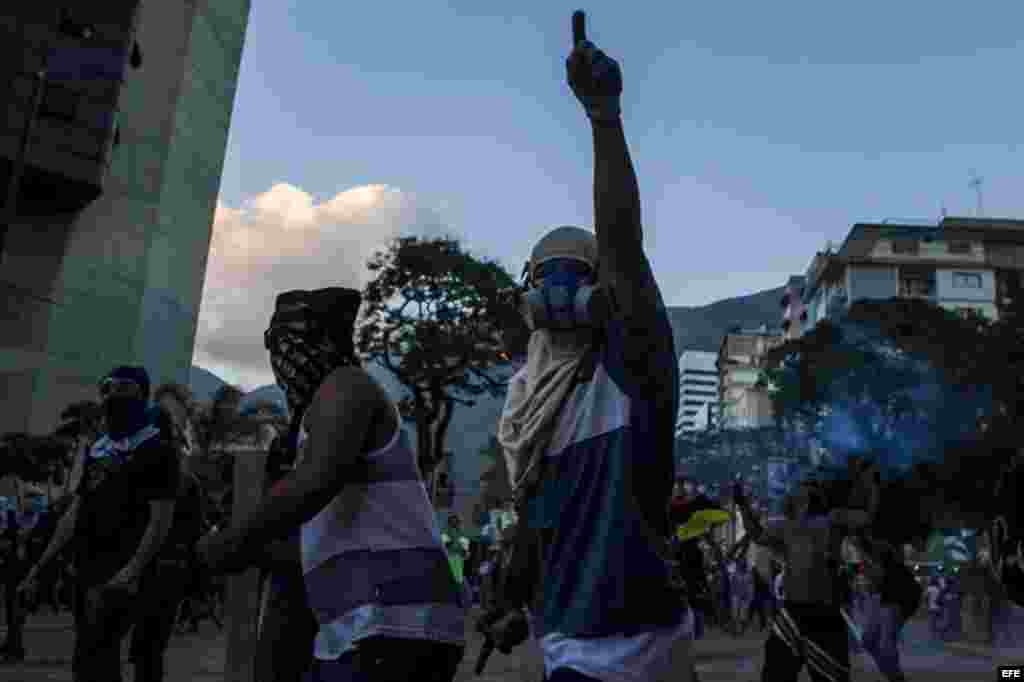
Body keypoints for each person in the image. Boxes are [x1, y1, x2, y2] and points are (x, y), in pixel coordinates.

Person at [484, 12, 697, 681]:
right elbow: (539, 520)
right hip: (565, 646)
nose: (557, 285)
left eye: (577, 268)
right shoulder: (529, 412)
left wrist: (604, 119)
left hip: (639, 649)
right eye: (543, 273)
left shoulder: (632, 365)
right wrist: (512, 597)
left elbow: (624, 242)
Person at [196, 287, 466, 682]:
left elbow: (314, 482)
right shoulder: (313, 422)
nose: (282, 359)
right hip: (359, 628)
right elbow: (300, 540)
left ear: (322, 341)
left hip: (392, 619)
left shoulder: (346, 387)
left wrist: (234, 540)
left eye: (286, 343)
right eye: (273, 345)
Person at [18, 365, 180, 682]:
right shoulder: (98, 449)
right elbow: (76, 511)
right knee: (89, 661)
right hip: (86, 568)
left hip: (122, 574)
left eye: (124, 388)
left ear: (142, 395)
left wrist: (131, 571)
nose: (113, 395)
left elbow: (160, 520)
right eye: (107, 388)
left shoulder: (158, 450)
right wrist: (40, 566)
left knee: (97, 654)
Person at [735, 480, 874, 682]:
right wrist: (742, 505)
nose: (800, 489)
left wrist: (870, 487)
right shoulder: (785, 525)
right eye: (800, 485)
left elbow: (867, 518)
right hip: (793, 613)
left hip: (824, 614)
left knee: (831, 677)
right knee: (775, 675)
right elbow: (757, 535)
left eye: (807, 486)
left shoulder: (831, 520)